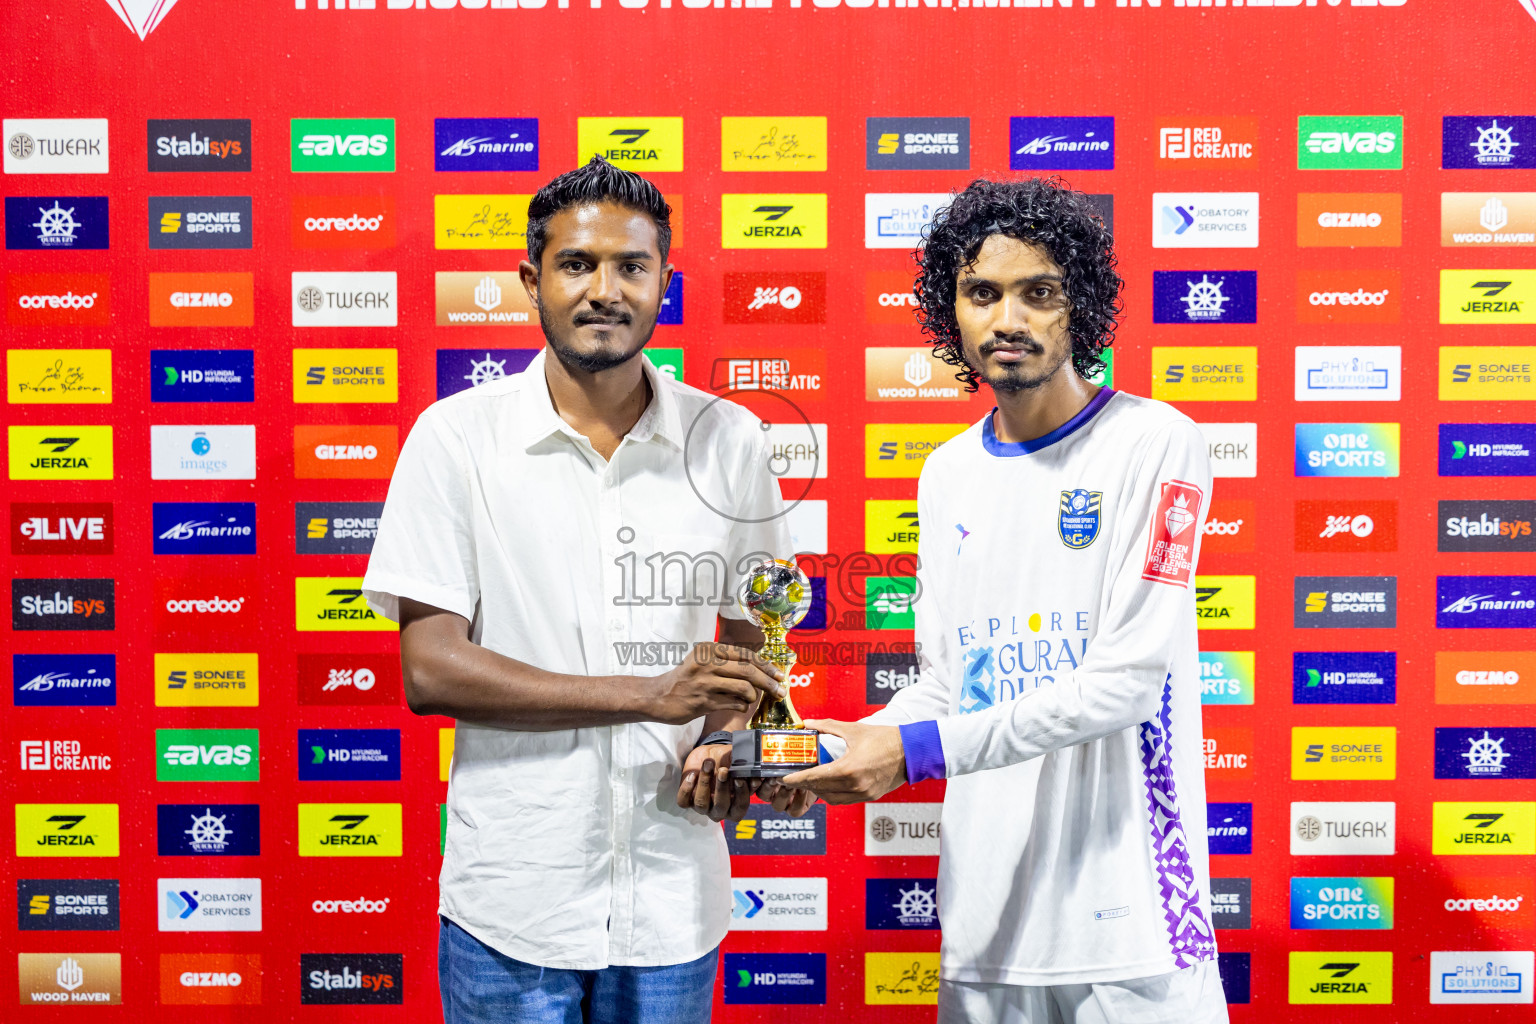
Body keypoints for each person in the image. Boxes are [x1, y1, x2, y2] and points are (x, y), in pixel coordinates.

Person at [768, 177, 1228, 1024]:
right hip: (985, 923)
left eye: (1038, 293)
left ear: (1078, 307)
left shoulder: (1156, 443)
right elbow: (950, 686)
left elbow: (1121, 687)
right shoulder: (947, 472)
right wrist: (838, 745)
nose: (1007, 320)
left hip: (1127, 927)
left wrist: (913, 751)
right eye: (983, 293)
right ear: (953, 312)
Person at [362, 156, 793, 1024]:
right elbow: (432, 671)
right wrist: (651, 696)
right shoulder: (456, 440)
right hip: (513, 903)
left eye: (632, 266)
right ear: (532, 281)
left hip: (674, 893)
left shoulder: (732, 439)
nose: (606, 290)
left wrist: (724, 738)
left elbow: (756, 634)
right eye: (576, 264)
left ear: (664, 281)